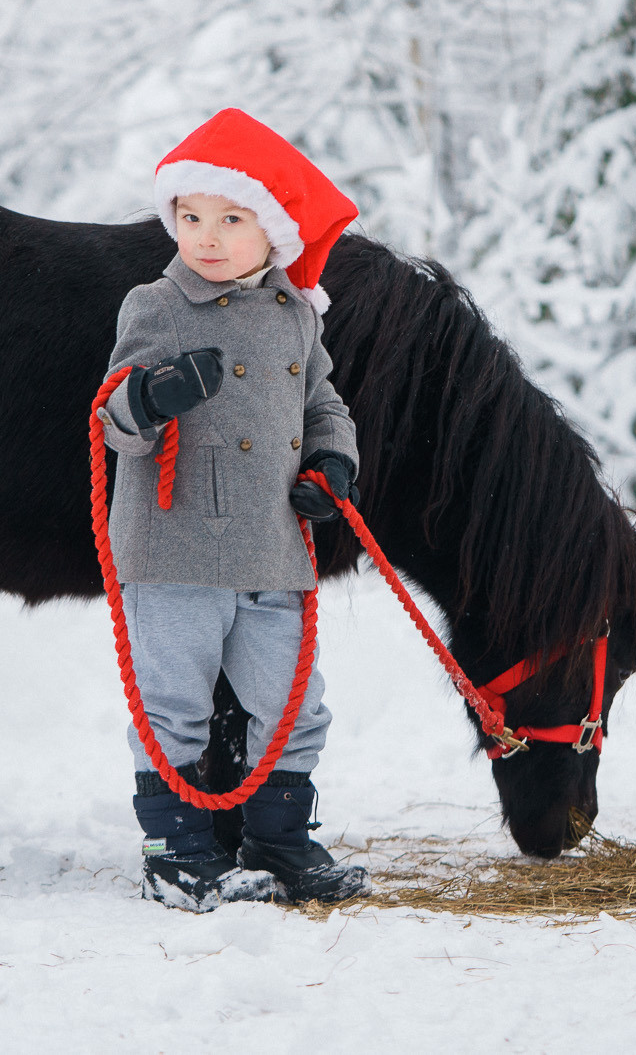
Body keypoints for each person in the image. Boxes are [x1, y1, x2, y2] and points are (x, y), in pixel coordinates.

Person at [96, 108, 369, 911]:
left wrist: (332, 460)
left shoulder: (296, 314)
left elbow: (324, 402)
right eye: (190, 217)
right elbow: (112, 419)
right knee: (174, 703)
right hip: (176, 546)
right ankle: (173, 851)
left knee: (290, 701)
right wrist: (152, 394)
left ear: (273, 229)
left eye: (230, 218)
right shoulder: (155, 305)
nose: (205, 237)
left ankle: (278, 839)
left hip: (272, 547)